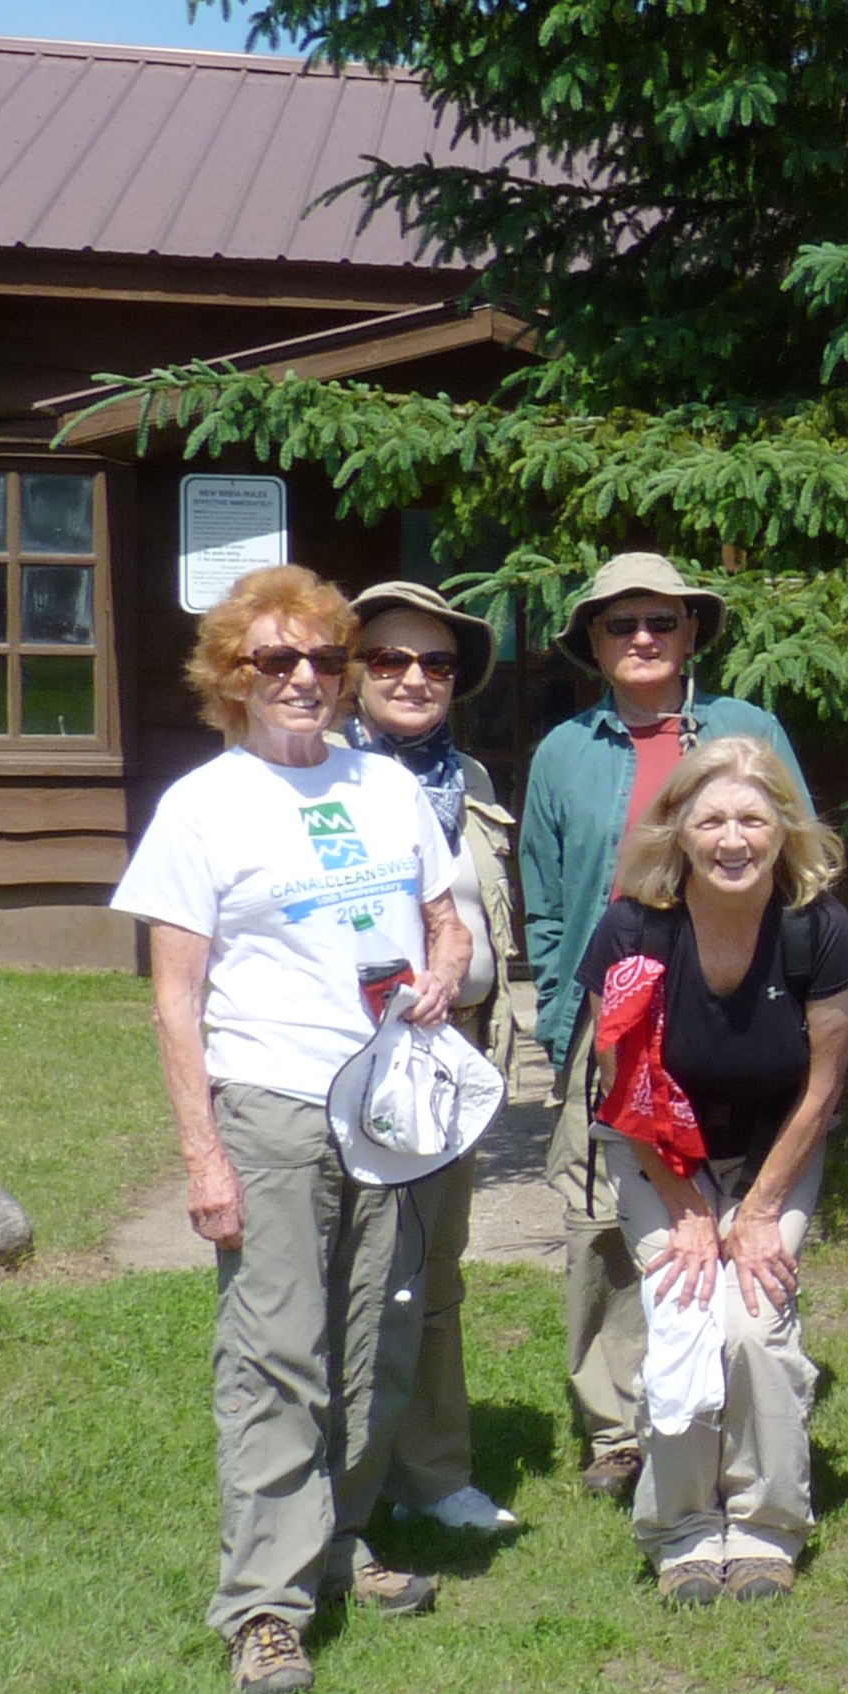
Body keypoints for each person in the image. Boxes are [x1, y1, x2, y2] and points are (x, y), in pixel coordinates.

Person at [112, 566, 469, 1694]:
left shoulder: (384, 785)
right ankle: (264, 1607)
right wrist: (202, 1155)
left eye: (324, 658)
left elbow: (445, 918)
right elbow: (175, 998)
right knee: (276, 1351)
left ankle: (338, 1539)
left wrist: (442, 972)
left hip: (391, 1102)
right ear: (234, 676)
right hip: (270, 1103)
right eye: (277, 660)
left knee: (377, 1334)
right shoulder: (203, 806)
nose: (306, 678)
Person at [520, 553, 811, 1504]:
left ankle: (728, 1398)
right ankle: (618, 1423)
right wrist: (569, 1018)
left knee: (725, 1205)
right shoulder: (566, 749)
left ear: (691, 633)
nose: (641, 638)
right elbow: (547, 904)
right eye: (619, 625)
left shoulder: (744, 730)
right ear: (593, 644)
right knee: (605, 1219)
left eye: (660, 621)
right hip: (609, 1017)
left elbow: (798, 858)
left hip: (723, 1004)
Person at [577, 740, 848, 1601]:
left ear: (783, 828)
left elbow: (823, 1087)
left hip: (777, 1150)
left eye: (751, 818)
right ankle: (684, 1530)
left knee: (756, 1321)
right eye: (712, 820)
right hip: (656, 1150)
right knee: (687, 1311)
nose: (733, 839)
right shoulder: (637, 926)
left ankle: (768, 1524)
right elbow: (617, 1077)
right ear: (680, 833)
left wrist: (761, 1207)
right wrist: (686, 1204)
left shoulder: (820, 927)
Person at [346, 578, 524, 1542]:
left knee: (436, 1268)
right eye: (389, 659)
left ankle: (435, 1469)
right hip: (351, 1065)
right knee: (357, 1276)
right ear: (352, 673)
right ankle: (345, 1497)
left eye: (437, 662)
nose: (414, 677)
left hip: (451, 1058)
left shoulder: (474, 784)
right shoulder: (313, 777)